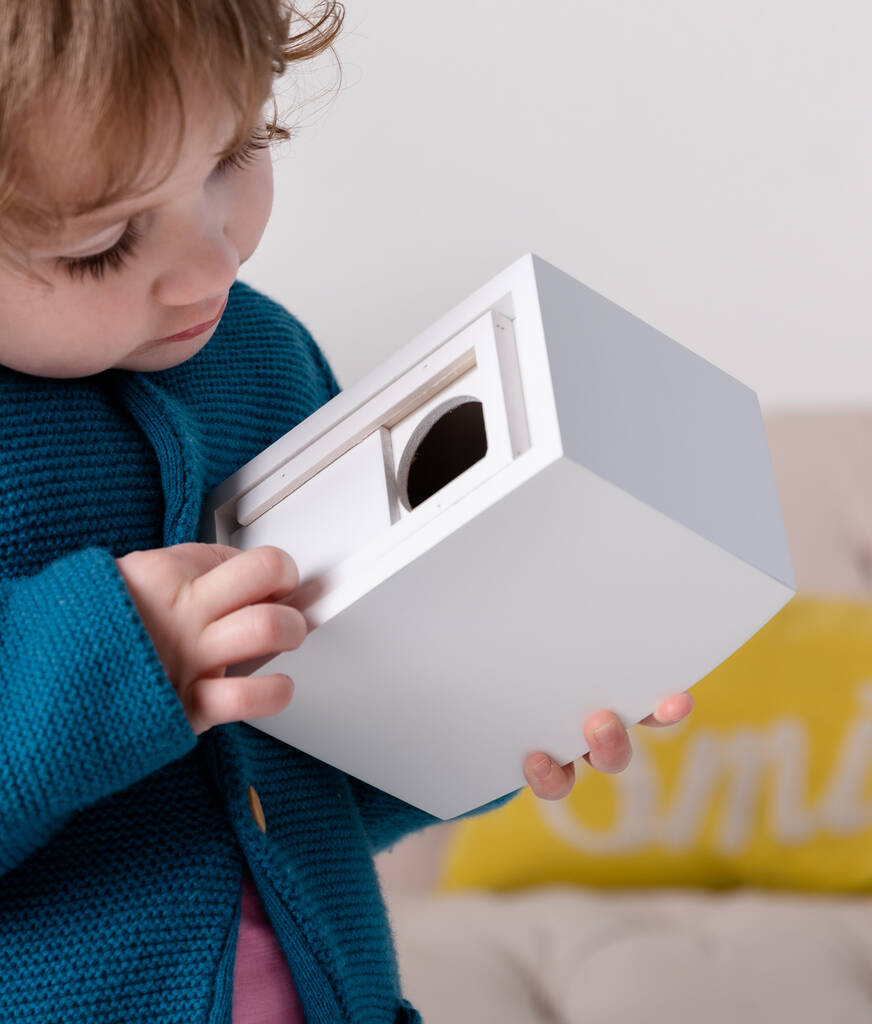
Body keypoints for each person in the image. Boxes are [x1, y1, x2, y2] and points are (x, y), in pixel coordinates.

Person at [0, 2, 694, 1020]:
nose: (213, 264)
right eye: (103, 245)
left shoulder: (259, 359)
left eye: (236, 152)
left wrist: (502, 706)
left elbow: (307, 784)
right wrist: (112, 656)